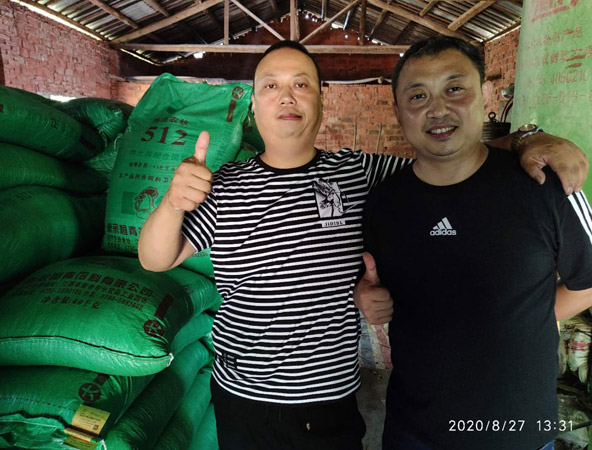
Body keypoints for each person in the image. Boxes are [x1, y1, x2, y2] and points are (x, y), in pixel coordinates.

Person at [138, 40, 588, 450]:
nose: (286, 96)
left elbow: (446, 152)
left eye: (301, 84)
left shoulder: (358, 173)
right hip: (244, 394)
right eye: (270, 85)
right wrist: (173, 202)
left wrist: (532, 139)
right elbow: (156, 258)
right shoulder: (224, 185)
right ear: (254, 104)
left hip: (330, 396)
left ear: (322, 99)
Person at [355, 35, 592, 450]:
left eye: (454, 88)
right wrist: (367, 297)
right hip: (413, 431)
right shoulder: (383, 202)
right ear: (397, 111)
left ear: (485, 96)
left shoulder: (544, 184)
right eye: (418, 96)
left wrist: (518, 317)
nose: (437, 109)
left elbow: (588, 283)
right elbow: (379, 284)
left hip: (516, 434)